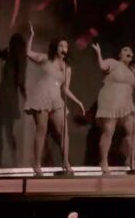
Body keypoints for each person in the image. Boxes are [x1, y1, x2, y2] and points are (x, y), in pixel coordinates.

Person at [24, 23, 85, 176]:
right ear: (56, 48)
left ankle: (66, 163)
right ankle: (37, 164)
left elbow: (65, 89)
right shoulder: (46, 59)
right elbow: (28, 53)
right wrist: (31, 36)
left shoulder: (67, 68)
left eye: (66, 46)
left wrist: (78, 102)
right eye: (61, 45)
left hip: (56, 99)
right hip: (42, 97)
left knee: (64, 131)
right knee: (42, 129)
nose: (64, 48)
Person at [91, 43, 135, 174]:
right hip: (110, 100)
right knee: (109, 131)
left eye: (130, 51)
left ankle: (131, 162)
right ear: (120, 54)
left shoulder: (133, 71)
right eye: (125, 50)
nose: (129, 52)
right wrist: (99, 54)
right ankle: (103, 161)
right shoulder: (113, 63)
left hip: (126, 103)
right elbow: (102, 66)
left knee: (133, 130)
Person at [0, 20, 26, 167]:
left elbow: (20, 83)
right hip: (3, 97)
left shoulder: (17, 60)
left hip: (9, 98)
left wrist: (28, 99)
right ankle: (1, 161)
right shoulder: (9, 56)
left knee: (7, 131)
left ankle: (14, 162)